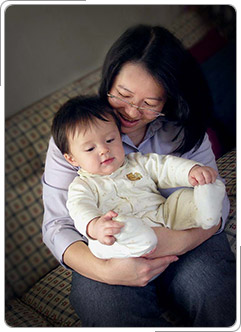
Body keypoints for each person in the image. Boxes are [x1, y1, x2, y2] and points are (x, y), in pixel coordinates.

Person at [42, 25, 236, 327]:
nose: (131, 112)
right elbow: (58, 224)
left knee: (211, 289)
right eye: (123, 95)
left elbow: (210, 200)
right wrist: (104, 270)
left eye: (149, 104)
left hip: (179, 229)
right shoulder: (77, 135)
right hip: (113, 249)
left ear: (169, 100)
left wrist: (177, 242)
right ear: (109, 81)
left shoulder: (181, 128)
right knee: (104, 305)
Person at [51, 95, 225, 260]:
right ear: (72, 159)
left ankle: (205, 210)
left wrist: (191, 171)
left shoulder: (136, 162)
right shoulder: (82, 186)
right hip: (121, 234)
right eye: (90, 149)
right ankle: (140, 239)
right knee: (104, 242)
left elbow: (165, 167)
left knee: (184, 198)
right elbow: (80, 208)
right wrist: (94, 226)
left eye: (110, 140)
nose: (104, 150)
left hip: (164, 217)